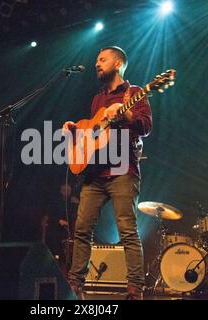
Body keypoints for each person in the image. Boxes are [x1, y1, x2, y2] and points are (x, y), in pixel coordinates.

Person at [62, 46, 152, 300]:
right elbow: (94, 132)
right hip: (94, 174)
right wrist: (75, 131)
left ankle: (135, 290)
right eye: (96, 60)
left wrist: (127, 114)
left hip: (123, 171)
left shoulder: (134, 93)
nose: (96, 64)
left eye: (102, 59)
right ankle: (74, 284)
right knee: (81, 229)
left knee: (127, 231)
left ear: (118, 63)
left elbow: (145, 126)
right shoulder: (97, 98)